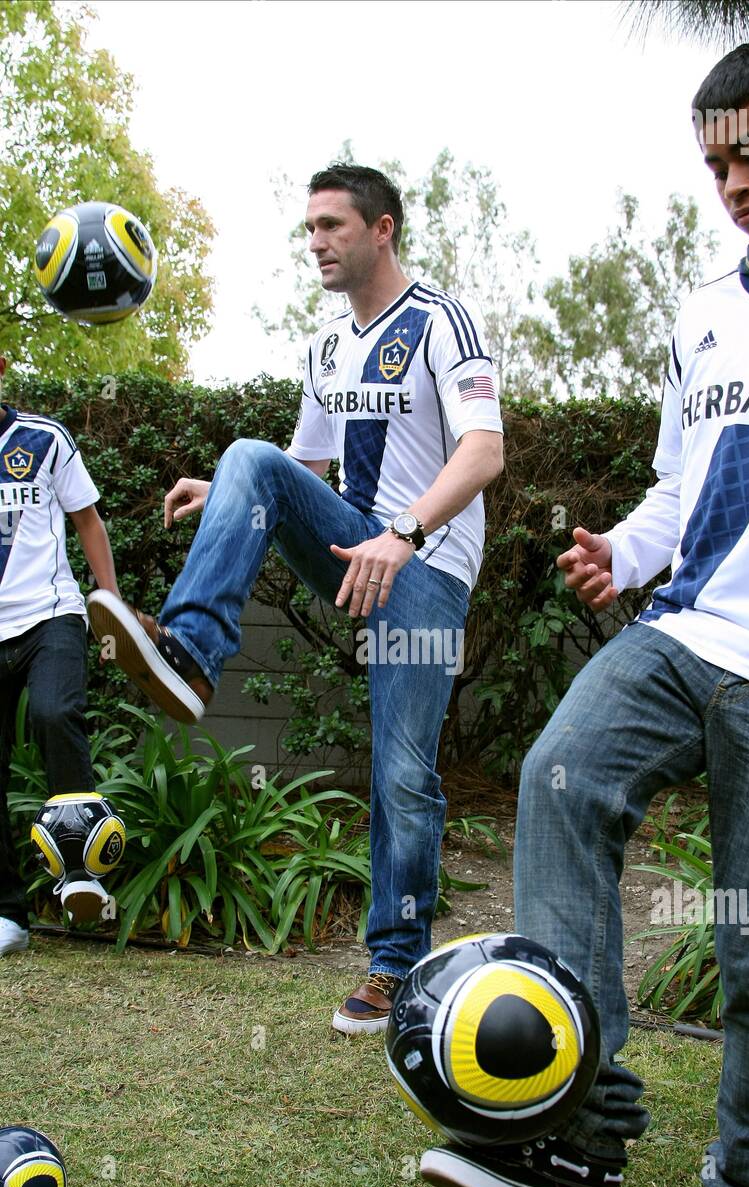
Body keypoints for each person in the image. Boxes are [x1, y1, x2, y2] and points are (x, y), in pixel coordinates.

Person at [420, 38, 749, 1187]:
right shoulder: (703, 312)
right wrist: (624, 554)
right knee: (557, 774)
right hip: (685, 633)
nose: (732, 184)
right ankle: (581, 1130)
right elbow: (678, 487)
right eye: (713, 166)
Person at [88, 164, 504, 1032]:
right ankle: (191, 656)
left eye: (331, 226)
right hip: (354, 550)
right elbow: (303, 472)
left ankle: (396, 967)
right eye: (308, 229)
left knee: (402, 772)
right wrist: (231, 488)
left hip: (423, 570)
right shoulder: (323, 348)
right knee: (247, 454)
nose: (315, 243)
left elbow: (482, 454)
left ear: (381, 228)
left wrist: (406, 534)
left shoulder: (438, 321)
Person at [0, 354, 121, 954]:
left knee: (53, 713)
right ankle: (8, 916)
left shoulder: (43, 439)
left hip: (50, 615)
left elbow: (89, 522)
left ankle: (82, 874)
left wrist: (113, 610)